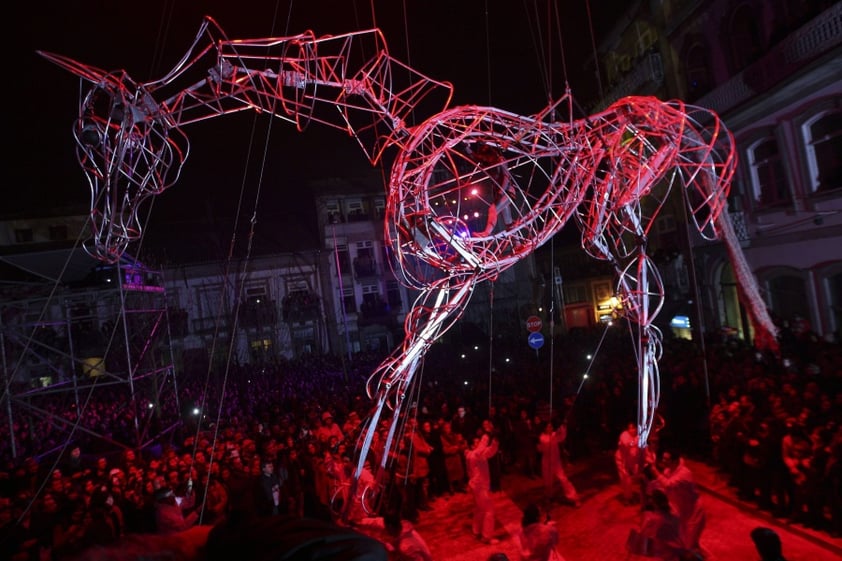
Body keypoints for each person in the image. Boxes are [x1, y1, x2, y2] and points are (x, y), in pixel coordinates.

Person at [645, 449, 706, 554]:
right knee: (686, 542)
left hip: (695, 513)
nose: (663, 461)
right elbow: (662, 484)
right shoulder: (669, 470)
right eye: (663, 458)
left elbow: (669, 484)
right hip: (684, 512)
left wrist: (654, 471)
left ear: (675, 461)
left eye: (666, 459)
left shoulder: (685, 474)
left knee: (688, 546)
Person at [465, 432, 501, 545]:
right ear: (471, 446)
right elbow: (482, 448)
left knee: (479, 509)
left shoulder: (479, 454)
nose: (479, 444)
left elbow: (490, 451)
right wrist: (486, 435)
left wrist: (495, 442)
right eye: (476, 442)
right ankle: (486, 536)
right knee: (489, 510)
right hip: (479, 487)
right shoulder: (471, 455)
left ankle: (476, 530)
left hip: (480, 486)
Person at [537, 421, 580, 507]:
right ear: (545, 428)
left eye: (551, 427)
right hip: (547, 464)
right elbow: (547, 443)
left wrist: (563, 428)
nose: (551, 428)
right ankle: (549, 497)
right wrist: (557, 433)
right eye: (549, 427)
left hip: (556, 463)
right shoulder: (542, 437)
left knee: (563, 480)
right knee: (548, 483)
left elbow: (562, 437)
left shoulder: (553, 435)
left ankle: (574, 498)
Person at [636, 489, 684, 561]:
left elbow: (643, 537)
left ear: (655, 503)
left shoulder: (654, 520)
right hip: (678, 546)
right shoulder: (675, 512)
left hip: (665, 550)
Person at [615, 422, 642, 505]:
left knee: (637, 476)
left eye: (634, 428)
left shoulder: (638, 436)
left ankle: (632, 495)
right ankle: (627, 498)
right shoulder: (624, 435)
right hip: (622, 460)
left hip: (632, 461)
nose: (632, 430)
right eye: (630, 428)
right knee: (626, 479)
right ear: (627, 429)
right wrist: (636, 440)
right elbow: (628, 444)